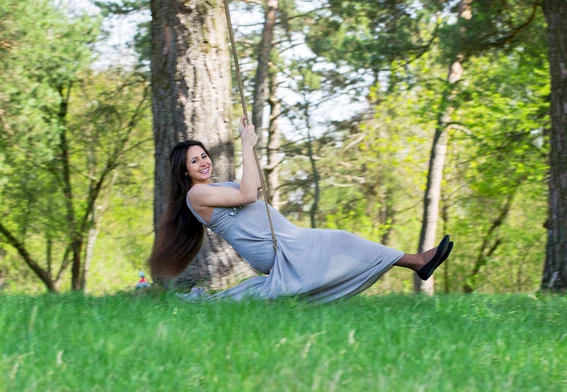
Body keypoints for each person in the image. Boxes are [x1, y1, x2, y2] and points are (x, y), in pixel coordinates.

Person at [149, 117, 453, 303]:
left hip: (287, 238)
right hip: (274, 248)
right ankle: (416, 262)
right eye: (195, 161)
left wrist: (250, 146)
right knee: (341, 241)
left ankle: (417, 263)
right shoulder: (197, 194)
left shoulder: (214, 185)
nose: (204, 162)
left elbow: (251, 187)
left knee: (342, 243)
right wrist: (246, 145)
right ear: (184, 171)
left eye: (204, 155)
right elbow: (248, 192)